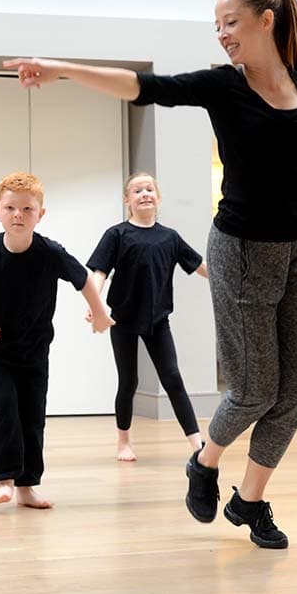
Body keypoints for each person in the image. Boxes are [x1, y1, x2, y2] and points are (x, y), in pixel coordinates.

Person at [5, 0, 297, 549]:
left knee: (293, 396)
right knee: (254, 389)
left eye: (231, 22)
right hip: (241, 251)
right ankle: (204, 462)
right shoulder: (222, 87)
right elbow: (144, 87)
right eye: (217, 25)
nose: (222, 34)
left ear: (267, 20)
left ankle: (251, 500)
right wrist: (63, 68)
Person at [0, 171, 113, 508]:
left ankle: (26, 486)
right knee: (5, 407)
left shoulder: (50, 252)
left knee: (32, 415)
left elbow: (84, 280)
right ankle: (3, 479)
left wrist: (99, 311)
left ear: (40, 214)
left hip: (34, 349)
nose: (18, 215)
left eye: (27, 209)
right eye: (10, 208)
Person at [86, 172, 208, 461]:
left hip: (158, 321)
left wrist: (225, 281)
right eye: (137, 191)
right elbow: (100, 271)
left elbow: (200, 265)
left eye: (149, 189)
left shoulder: (170, 238)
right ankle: (124, 443)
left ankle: (197, 445)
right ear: (128, 200)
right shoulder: (117, 234)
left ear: (158, 198)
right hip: (122, 320)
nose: (144, 194)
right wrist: (95, 303)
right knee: (128, 382)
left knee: (173, 379)